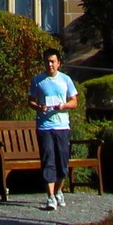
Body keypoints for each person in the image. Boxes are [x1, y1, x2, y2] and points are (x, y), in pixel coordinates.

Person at [31, 48, 79, 211]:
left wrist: (63, 105)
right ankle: (50, 197)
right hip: (45, 127)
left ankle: (58, 191)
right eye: (47, 61)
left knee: (62, 163)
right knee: (48, 160)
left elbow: (74, 102)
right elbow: (31, 100)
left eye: (52, 61)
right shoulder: (38, 80)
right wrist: (39, 107)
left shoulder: (66, 80)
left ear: (59, 63)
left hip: (61, 126)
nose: (49, 64)